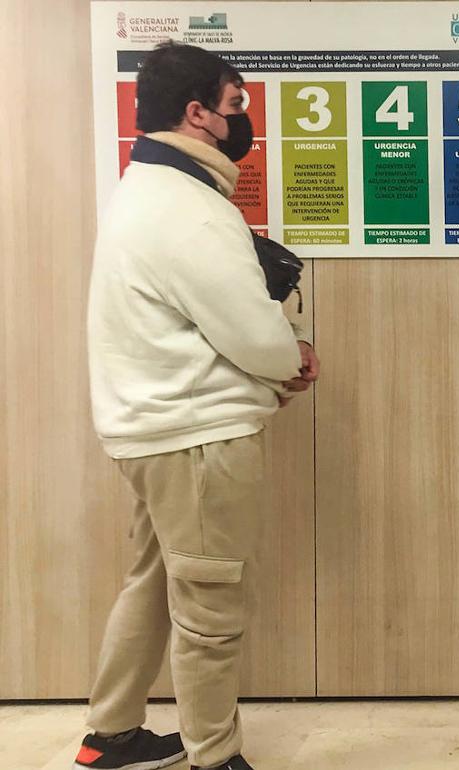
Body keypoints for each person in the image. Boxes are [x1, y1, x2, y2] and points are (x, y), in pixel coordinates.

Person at [81, 42, 318, 770]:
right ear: (197, 114)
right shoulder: (186, 208)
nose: (243, 120)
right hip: (197, 439)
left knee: (154, 583)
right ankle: (215, 759)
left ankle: (110, 736)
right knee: (210, 612)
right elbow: (256, 335)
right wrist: (292, 358)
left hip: (152, 432)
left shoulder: (145, 189)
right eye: (236, 104)